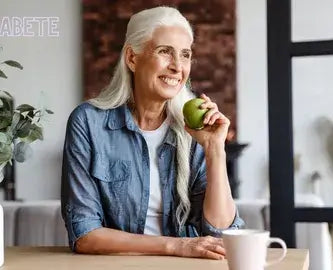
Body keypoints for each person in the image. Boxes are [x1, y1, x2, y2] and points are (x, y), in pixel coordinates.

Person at [61, 6, 244, 260]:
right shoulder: (88, 123)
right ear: (132, 58)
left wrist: (215, 149)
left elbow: (223, 234)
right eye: (164, 52)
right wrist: (177, 246)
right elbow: (84, 234)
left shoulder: (195, 129)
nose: (177, 66)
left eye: (185, 55)